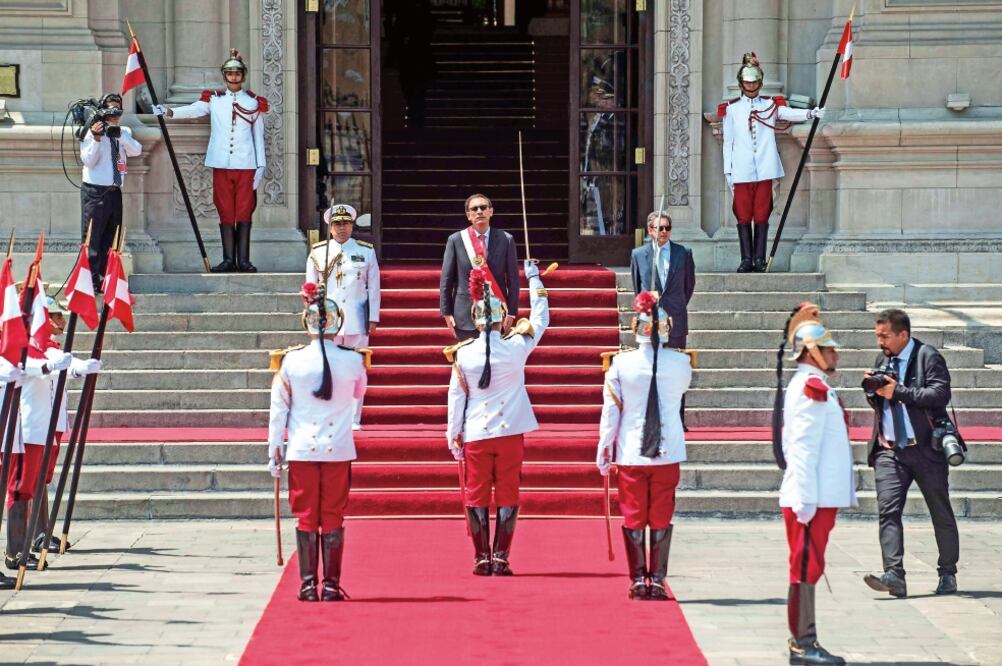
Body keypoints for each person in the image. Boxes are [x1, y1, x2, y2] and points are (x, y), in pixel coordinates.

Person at [445, 260, 549, 576]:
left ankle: (481, 557)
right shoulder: (516, 345)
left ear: (475, 320)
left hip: (477, 432)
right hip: (510, 430)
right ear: (502, 319)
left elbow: (456, 397)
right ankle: (501, 557)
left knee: (476, 493)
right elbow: (541, 318)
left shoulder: (463, 353)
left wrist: (453, 434)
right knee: (508, 491)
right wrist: (534, 279)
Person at [268, 285, 368, 602]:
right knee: (334, 514)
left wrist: (274, 450)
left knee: (307, 515)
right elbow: (357, 394)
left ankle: (309, 584)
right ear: (338, 324)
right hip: (338, 447)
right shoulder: (354, 362)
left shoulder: (291, 361)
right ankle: (332, 584)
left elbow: (278, 411)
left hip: (302, 448)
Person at [596, 292, 692, 600]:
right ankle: (658, 579)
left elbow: (611, 411)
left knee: (634, 514)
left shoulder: (621, 363)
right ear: (667, 328)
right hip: (667, 451)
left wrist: (605, 446)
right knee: (661, 514)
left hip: (631, 451)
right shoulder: (682, 363)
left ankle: (638, 579)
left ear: (635, 327)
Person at [773, 303, 855, 666]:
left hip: (818, 495)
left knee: (810, 566)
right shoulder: (811, 387)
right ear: (811, 352)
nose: (835, 354)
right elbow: (803, 448)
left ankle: (805, 641)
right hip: (811, 496)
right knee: (804, 567)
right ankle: (802, 644)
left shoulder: (816, 385)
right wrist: (805, 498)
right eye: (828, 349)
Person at [862, 308, 959, 598]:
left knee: (940, 511)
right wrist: (873, 392)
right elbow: (884, 403)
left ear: (903, 334)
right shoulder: (883, 359)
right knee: (888, 511)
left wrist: (899, 391)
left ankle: (947, 572)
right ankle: (894, 575)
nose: (880, 342)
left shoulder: (927, 356)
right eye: (877, 336)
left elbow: (940, 395)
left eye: (885, 336)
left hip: (926, 450)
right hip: (890, 450)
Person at [154, 49, 269, 273]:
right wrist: (168, 112)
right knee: (225, 210)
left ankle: (244, 261)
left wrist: (261, 165)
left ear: (243, 76)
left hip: (246, 164)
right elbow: (194, 110)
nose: (233, 77)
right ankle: (229, 260)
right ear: (224, 76)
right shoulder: (215, 99)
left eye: (237, 73)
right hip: (221, 163)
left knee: (244, 211)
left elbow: (258, 136)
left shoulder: (253, 102)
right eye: (230, 73)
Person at [6, 303, 101, 572]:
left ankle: (33, 538)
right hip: (24, 432)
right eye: (54, 315)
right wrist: (49, 365)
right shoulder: (21, 349)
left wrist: (81, 367)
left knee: (34, 485)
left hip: (42, 430)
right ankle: (16, 550)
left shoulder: (43, 347)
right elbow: (31, 365)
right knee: (20, 489)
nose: (60, 320)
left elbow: (58, 362)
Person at [719, 53, 825, 272]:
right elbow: (728, 143)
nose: (751, 86)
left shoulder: (770, 105)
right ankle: (746, 259)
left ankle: (759, 259)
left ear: (760, 83)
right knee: (743, 215)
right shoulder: (731, 109)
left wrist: (811, 113)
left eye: (754, 82)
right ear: (741, 84)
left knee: (761, 214)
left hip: (765, 169)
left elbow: (788, 113)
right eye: (747, 82)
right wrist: (728, 170)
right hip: (741, 170)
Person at [306, 203, 379, 431]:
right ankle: (329, 414)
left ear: (352, 225)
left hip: (357, 319)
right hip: (328, 322)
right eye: (337, 224)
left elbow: (374, 288)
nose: (341, 227)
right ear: (330, 227)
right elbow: (310, 290)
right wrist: (313, 321)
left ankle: (354, 418)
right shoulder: (318, 252)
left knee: (356, 369)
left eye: (346, 223)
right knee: (327, 369)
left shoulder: (366, 251)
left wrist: (373, 317)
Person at [79, 93, 142, 292]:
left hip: (114, 191)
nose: (114, 114)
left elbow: (136, 150)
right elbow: (88, 161)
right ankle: (91, 283)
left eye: (118, 110)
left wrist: (121, 136)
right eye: (111, 110)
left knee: (112, 238)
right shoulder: (91, 131)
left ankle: (106, 281)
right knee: (93, 239)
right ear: (103, 111)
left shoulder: (124, 132)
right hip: (95, 192)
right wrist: (97, 139)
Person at [439, 194, 519, 341]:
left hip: (497, 313)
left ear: (491, 211)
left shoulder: (506, 239)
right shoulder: (456, 240)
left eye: (483, 207)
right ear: (468, 215)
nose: (479, 211)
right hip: (464, 315)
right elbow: (446, 280)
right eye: (474, 209)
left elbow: (513, 279)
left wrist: (512, 312)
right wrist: (446, 312)